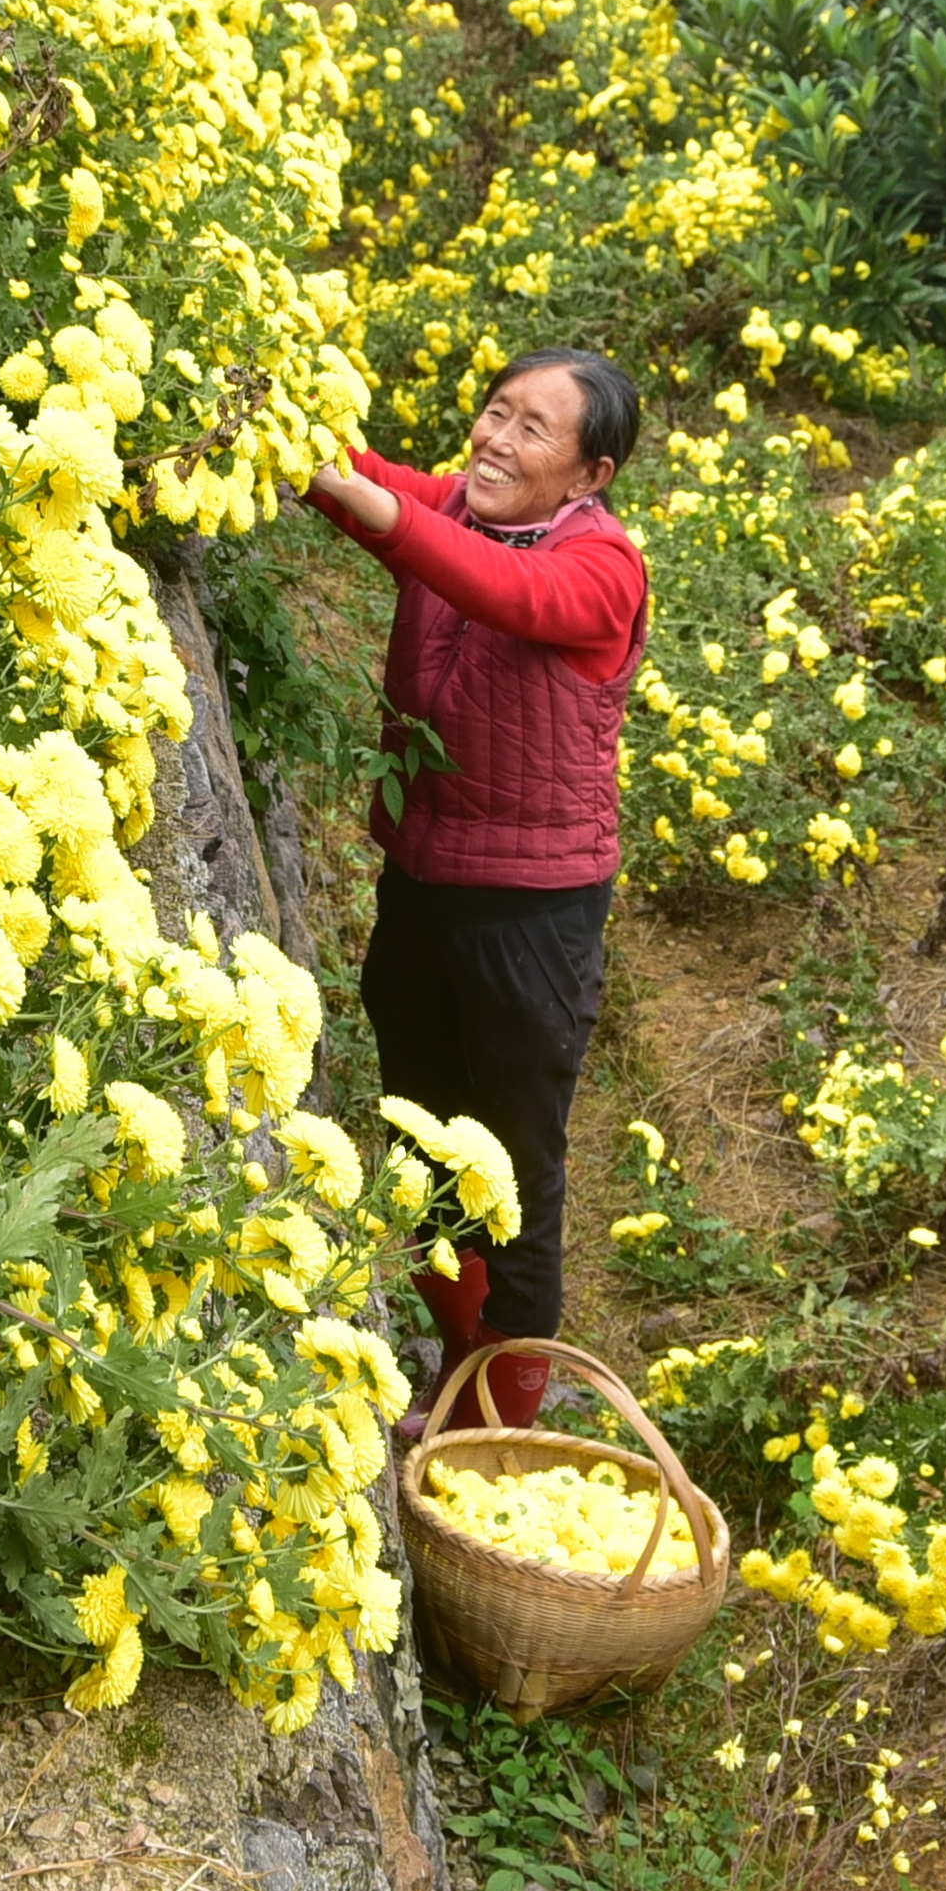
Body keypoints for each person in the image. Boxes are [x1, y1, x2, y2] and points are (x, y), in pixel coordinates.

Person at [306, 350, 651, 1425]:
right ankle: (451, 1355)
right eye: (495, 412)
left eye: (533, 429)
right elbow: (368, 482)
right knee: (422, 1134)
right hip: (423, 887)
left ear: (589, 475)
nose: (496, 440)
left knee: (512, 1173)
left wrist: (381, 512)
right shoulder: (462, 507)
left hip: (532, 917)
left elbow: (506, 590)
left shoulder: (601, 567)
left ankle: (497, 1419)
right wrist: (283, 418)